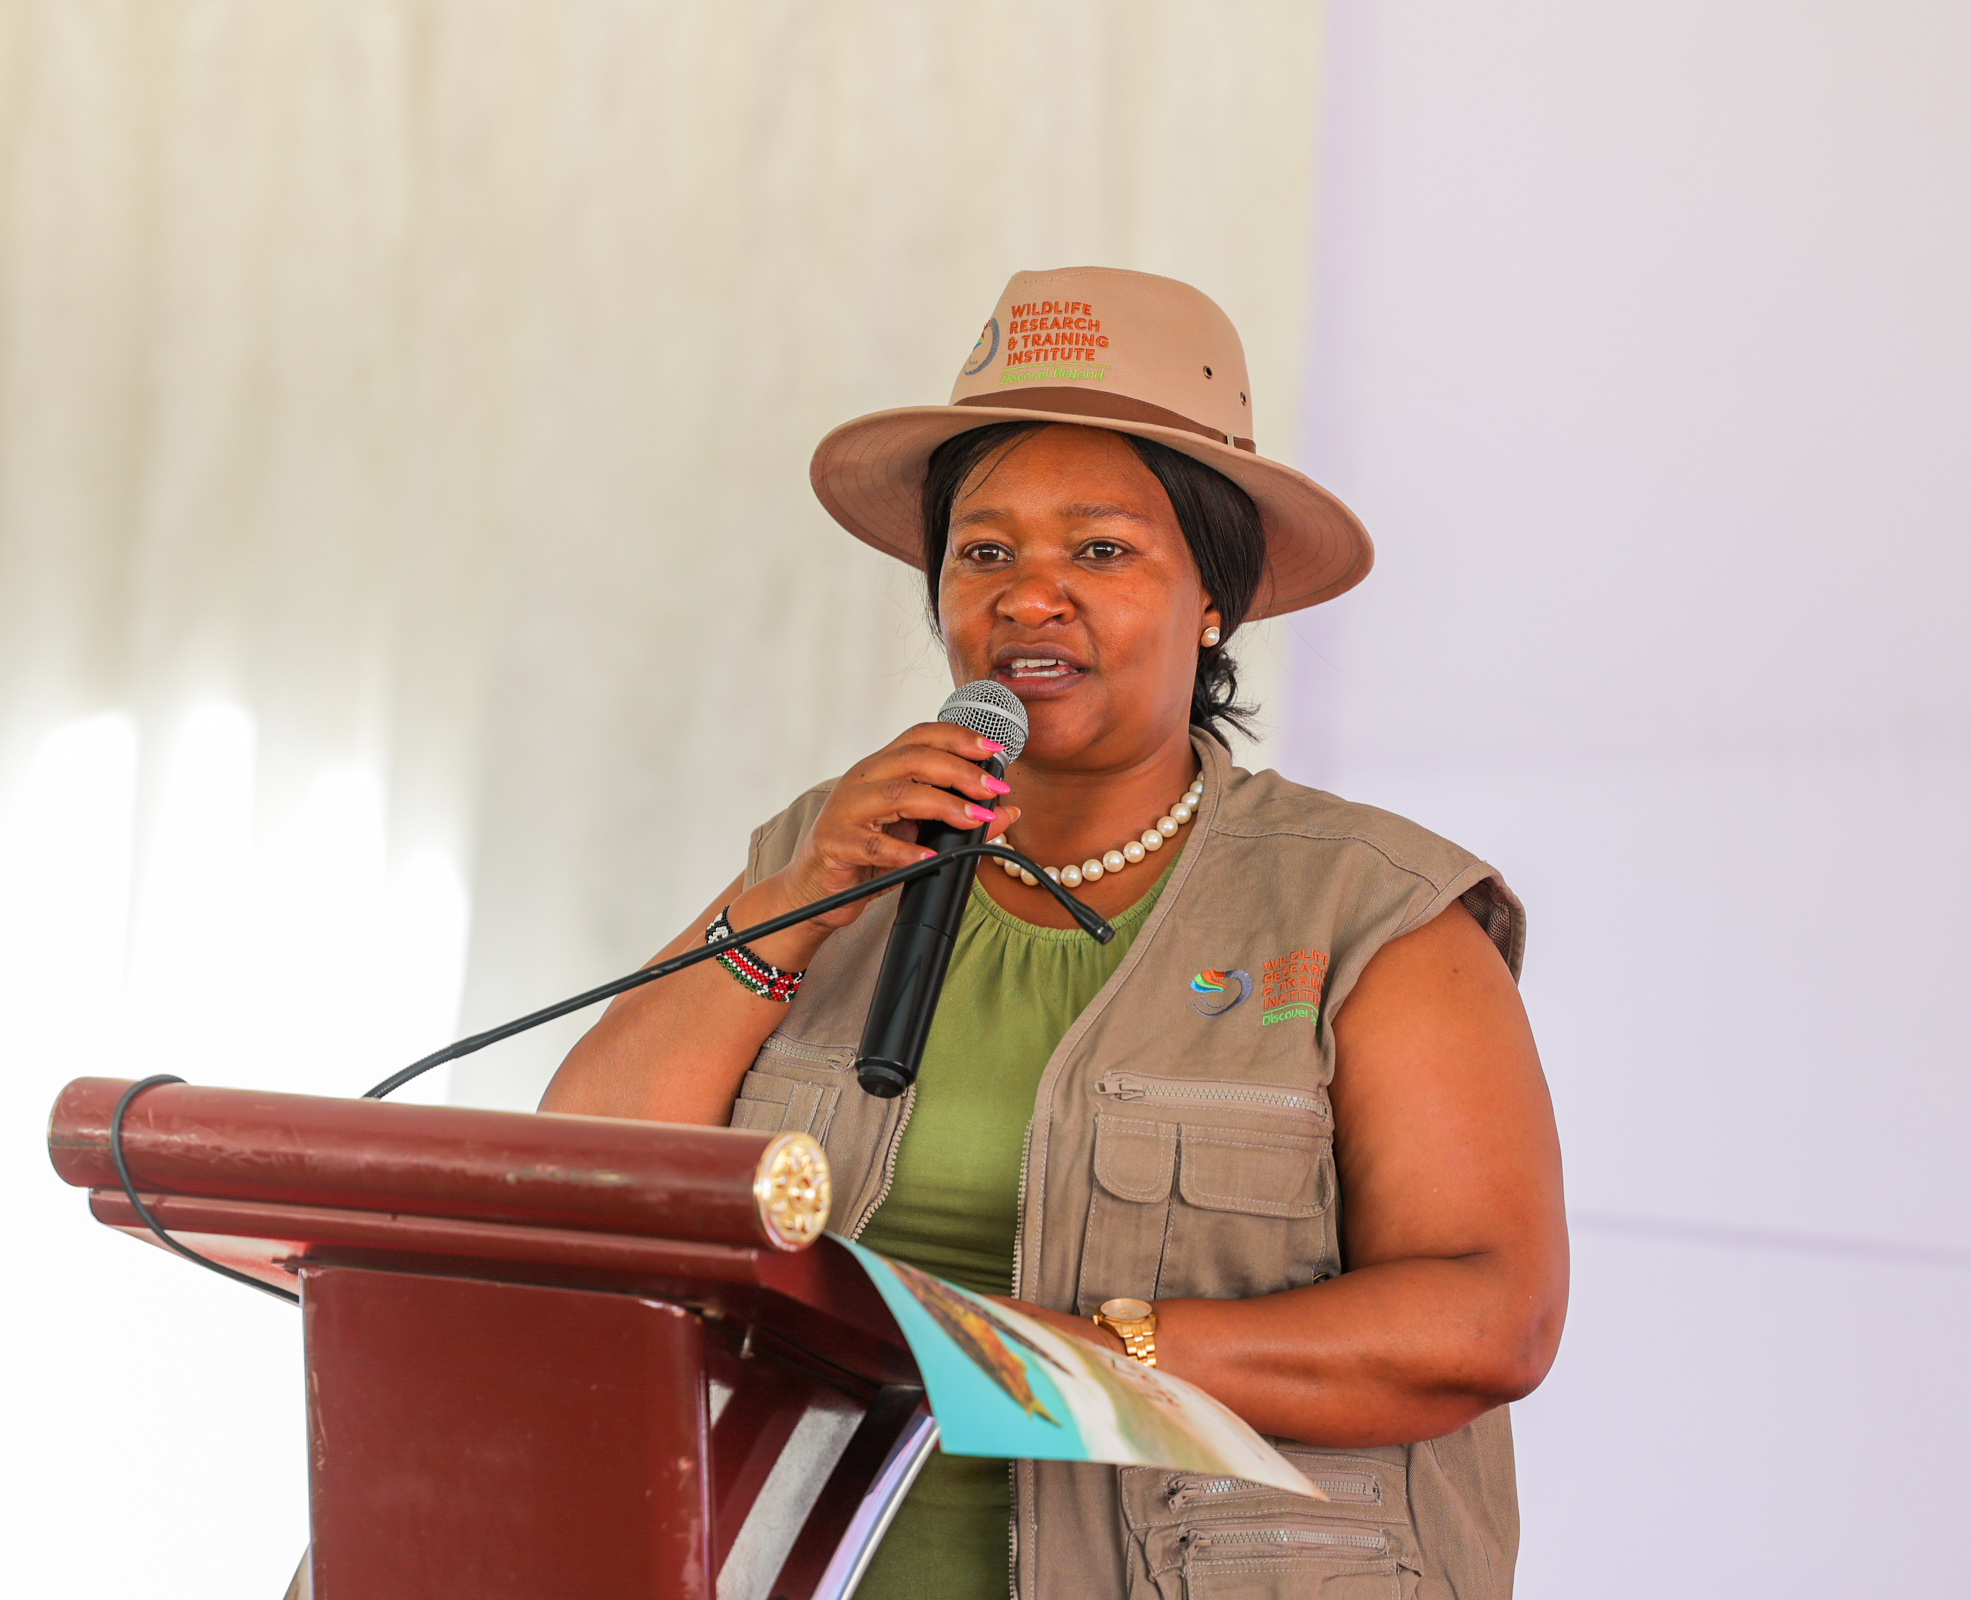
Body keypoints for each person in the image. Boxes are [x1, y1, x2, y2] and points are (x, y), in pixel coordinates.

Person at [542, 266, 1567, 1600]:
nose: (1029, 595)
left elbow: (1489, 1318)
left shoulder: (1368, 908)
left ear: (1215, 602)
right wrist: (794, 897)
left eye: (1099, 550)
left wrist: (1073, 1353)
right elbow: (582, 1188)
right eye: (984, 552)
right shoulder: (832, 850)